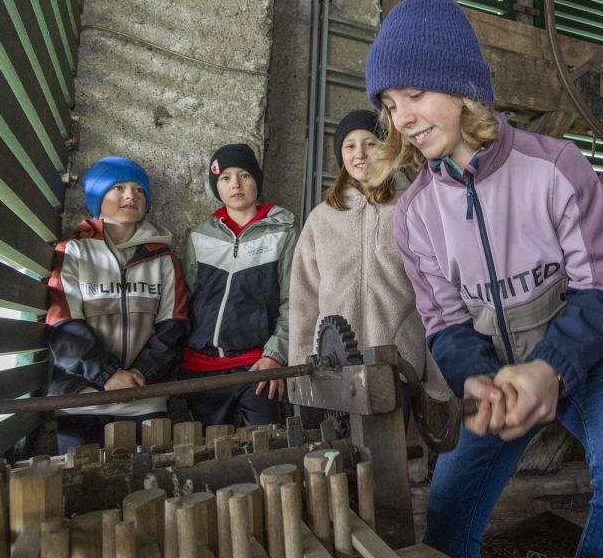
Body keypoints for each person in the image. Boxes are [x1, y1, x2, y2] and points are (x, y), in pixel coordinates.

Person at [364, 0, 603, 558]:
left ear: (461, 86)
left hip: (586, 362)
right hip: (496, 381)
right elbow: (446, 323)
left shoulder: (556, 167)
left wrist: (550, 370)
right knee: (446, 509)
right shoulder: (415, 214)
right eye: (389, 102)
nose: (401, 117)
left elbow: (601, 289)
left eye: (415, 93)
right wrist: (476, 380)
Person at [289, 109, 451, 424]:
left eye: (370, 143)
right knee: (338, 466)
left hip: (397, 367)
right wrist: (299, 369)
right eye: (349, 146)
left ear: (387, 149)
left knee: (390, 465)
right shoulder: (321, 219)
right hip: (332, 370)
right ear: (341, 156)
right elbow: (303, 299)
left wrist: (438, 374)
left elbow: (436, 292)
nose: (360, 153)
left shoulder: (413, 209)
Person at [47, 156, 190, 454]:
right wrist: (107, 375)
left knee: (152, 487)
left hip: (145, 400)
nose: (131, 195)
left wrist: (141, 375)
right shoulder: (72, 252)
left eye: (139, 190)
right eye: (118, 187)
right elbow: (63, 325)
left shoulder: (163, 259)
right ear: (98, 197)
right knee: (80, 489)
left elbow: (174, 325)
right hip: (81, 401)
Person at [179, 143, 297, 428]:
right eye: (225, 177)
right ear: (216, 186)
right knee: (208, 454)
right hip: (201, 369)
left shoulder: (283, 233)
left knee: (268, 447)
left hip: (256, 366)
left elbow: (294, 301)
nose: (236, 184)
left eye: (244, 175)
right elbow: (185, 302)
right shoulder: (200, 236)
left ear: (257, 180)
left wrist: (275, 355)